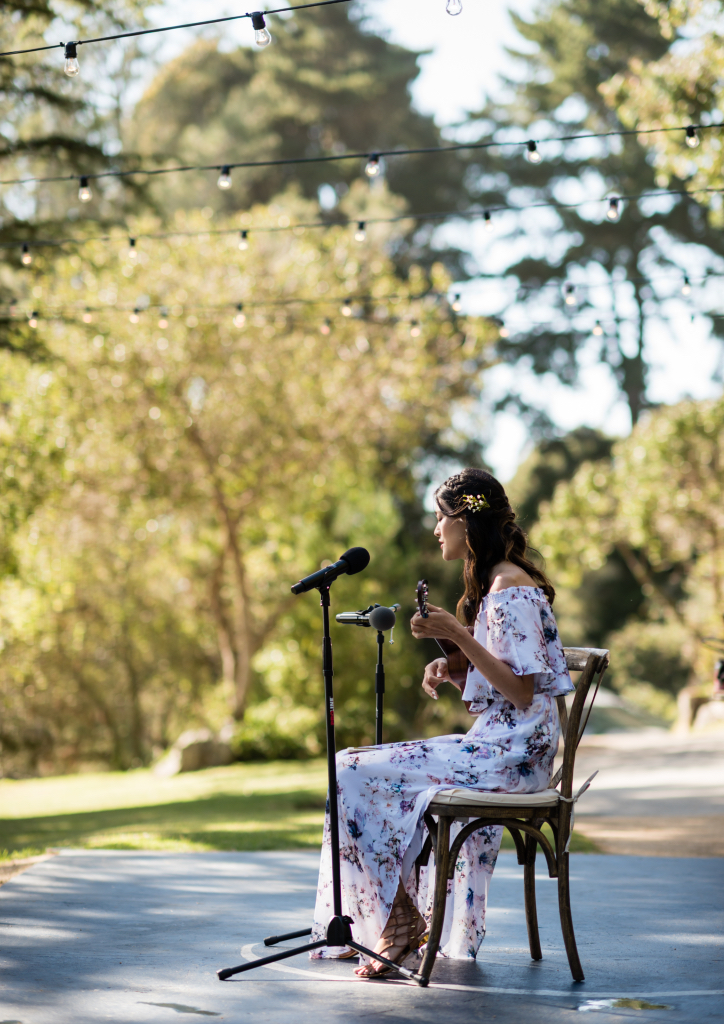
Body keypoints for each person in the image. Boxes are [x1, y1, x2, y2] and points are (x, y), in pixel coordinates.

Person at [310, 468, 574, 978]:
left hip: (514, 754)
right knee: (354, 768)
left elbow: (522, 692)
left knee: (349, 770)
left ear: (467, 521)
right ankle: (400, 915)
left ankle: (399, 917)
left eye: (442, 516)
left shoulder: (510, 586)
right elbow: (510, 678)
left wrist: (457, 633)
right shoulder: (499, 582)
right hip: (504, 744)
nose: (436, 528)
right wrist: (454, 667)